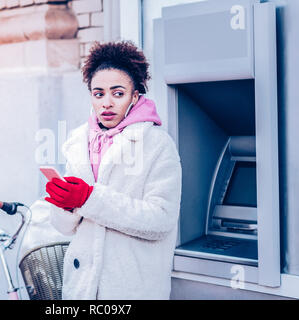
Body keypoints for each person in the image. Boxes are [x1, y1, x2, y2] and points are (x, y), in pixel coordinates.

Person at [44, 41, 182, 300]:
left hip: (130, 289)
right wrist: (65, 204)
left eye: (117, 93)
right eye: (99, 94)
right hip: (82, 288)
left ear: (135, 96)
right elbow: (64, 228)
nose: (107, 103)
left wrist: (88, 198)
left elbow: (161, 220)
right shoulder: (78, 142)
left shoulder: (156, 144)